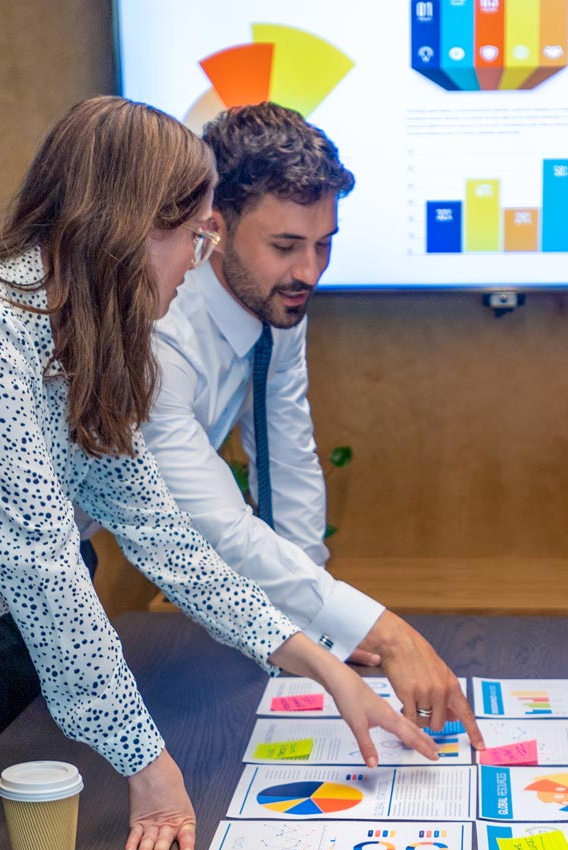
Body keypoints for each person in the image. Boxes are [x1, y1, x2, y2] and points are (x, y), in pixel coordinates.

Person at [0, 96, 434, 849]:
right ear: (132, 226)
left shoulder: (89, 327)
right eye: (194, 236)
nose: (198, 260)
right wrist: (149, 768)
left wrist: (320, 661)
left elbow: (161, 530)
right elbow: (41, 559)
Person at [142, 102, 480, 742]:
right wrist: (382, 631)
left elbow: (289, 459)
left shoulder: (276, 300)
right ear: (214, 227)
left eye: (324, 244)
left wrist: (323, 629)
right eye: (285, 246)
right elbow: (213, 523)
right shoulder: (161, 324)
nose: (309, 272)